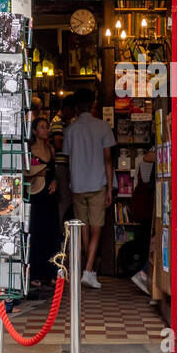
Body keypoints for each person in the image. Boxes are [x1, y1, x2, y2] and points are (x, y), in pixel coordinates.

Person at [63, 86, 115, 289]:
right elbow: (108, 160)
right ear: (93, 104)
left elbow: (67, 160)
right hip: (97, 183)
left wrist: (70, 181)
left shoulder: (71, 130)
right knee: (96, 229)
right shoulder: (103, 127)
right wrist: (110, 188)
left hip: (77, 184)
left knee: (83, 227)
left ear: (76, 106)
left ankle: (89, 269)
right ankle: (88, 271)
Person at [27, 116, 61, 294]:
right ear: (34, 131)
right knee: (36, 233)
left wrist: (54, 181)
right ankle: (35, 274)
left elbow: (54, 172)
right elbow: (25, 172)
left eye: (46, 127)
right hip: (36, 195)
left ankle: (52, 272)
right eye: (41, 127)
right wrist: (38, 173)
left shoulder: (51, 149)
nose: (45, 130)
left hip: (49, 195)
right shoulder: (29, 150)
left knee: (52, 233)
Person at [130, 148, 156, 296]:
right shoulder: (147, 159)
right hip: (147, 208)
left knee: (148, 241)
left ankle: (145, 273)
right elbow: (148, 159)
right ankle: (144, 274)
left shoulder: (144, 161)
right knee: (150, 241)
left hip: (145, 208)